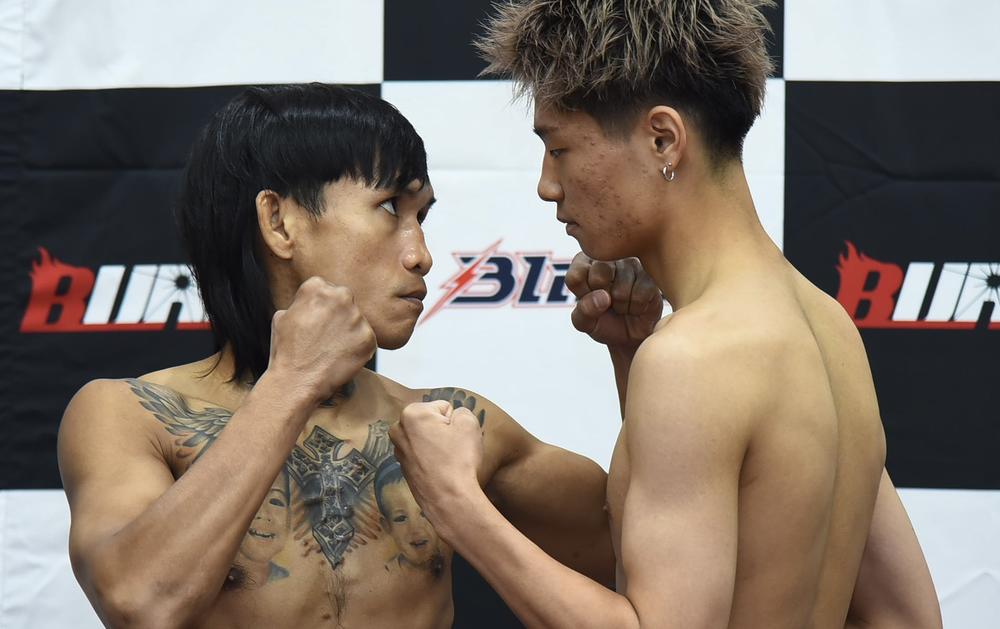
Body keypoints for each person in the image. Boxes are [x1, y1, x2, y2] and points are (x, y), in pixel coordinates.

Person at [389, 1, 943, 628]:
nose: (547, 185)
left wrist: (458, 505)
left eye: (559, 148)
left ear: (663, 139)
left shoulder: (692, 359)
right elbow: (906, 616)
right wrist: (630, 354)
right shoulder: (828, 326)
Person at [57, 84, 620, 629]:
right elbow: (140, 604)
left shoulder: (450, 426)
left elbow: (635, 549)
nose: (421, 255)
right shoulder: (130, 415)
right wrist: (293, 381)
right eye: (389, 207)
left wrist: (630, 353)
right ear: (280, 223)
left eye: (421, 217)